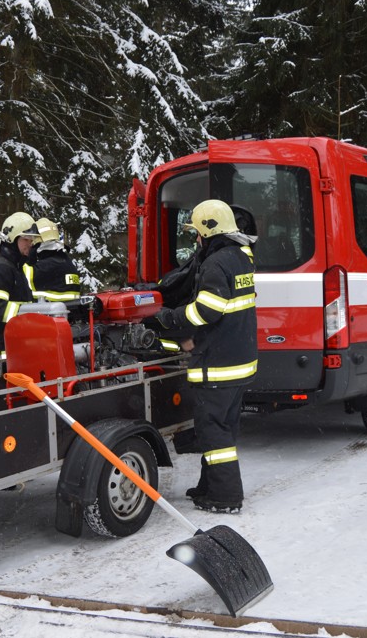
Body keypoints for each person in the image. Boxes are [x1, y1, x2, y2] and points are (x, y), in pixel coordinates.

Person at [151, 199, 258, 514]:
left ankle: (225, 497)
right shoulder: (241, 257)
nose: (196, 238)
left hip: (219, 365)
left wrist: (169, 317)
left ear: (209, 231)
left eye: (197, 232)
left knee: (213, 432)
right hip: (239, 360)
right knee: (224, 428)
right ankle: (209, 486)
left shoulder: (215, 263)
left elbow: (207, 311)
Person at [0, 212, 41, 377]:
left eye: (32, 240)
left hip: (12, 354)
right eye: (26, 239)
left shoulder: (16, 270)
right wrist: (29, 314)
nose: (30, 244)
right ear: (12, 240)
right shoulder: (1, 270)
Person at [30, 217, 82, 301]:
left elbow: (22, 278)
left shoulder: (46, 266)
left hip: (49, 308)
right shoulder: (65, 261)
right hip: (68, 308)